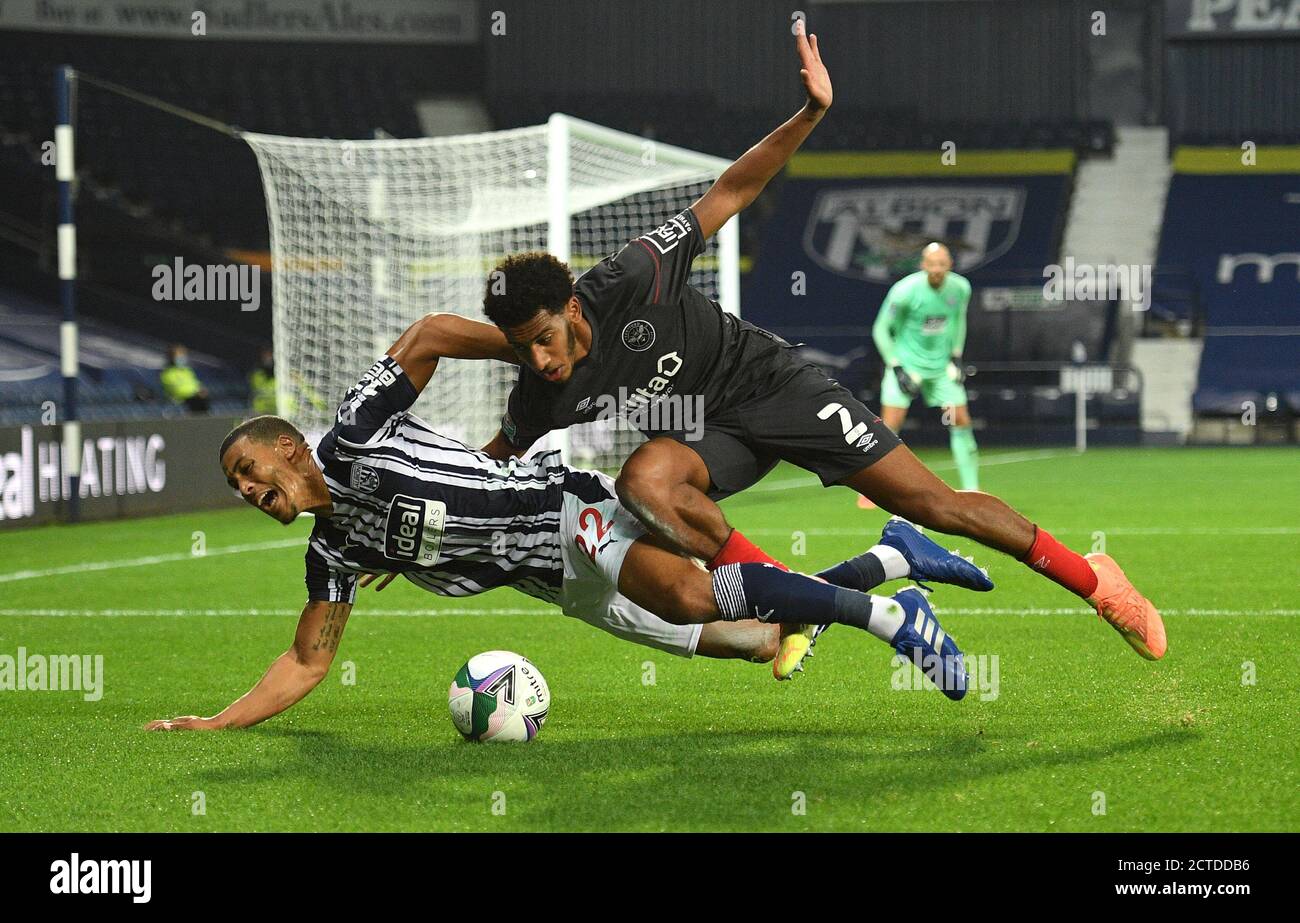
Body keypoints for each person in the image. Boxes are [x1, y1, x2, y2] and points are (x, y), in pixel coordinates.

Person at [463, 19, 1165, 675]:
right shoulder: (542, 390)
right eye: (523, 351)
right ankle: (797, 599)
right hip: (711, 438)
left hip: (772, 385)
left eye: (545, 340)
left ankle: (1095, 579)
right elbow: (487, 468)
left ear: (572, 308)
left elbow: (732, 190)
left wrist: (810, 114)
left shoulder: (633, 277)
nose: (542, 362)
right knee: (643, 483)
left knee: (940, 504)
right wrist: (403, 515)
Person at [145, 315, 993, 731]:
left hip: (563, 508)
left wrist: (529, 350)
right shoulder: (336, 547)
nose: (247, 492)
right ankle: (890, 556)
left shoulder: (355, 427)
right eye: (236, 488)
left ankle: (892, 616)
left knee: (698, 596)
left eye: (248, 473)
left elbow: (431, 335)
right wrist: (216, 721)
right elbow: (306, 658)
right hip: (558, 587)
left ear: (288, 448)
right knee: (758, 641)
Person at [872, 242, 979, 492]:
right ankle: (875, 489)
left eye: (942, 264)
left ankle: (972, 490)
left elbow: (958, 321)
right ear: (923, 265)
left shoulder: (960, 288)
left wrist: (956, 356)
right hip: (907, 366)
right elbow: (880, 330)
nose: (937, 270)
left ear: (950, 264)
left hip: (941, 370)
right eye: (932, 264)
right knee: (888, 430)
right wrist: (896, 367)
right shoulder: (905, 291)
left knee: (959, 420)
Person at [160, 344, 210, 414]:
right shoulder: (167, 373)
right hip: (181, 402)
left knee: (203, 400)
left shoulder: (187, 371)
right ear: (171, 357)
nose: (182, 357)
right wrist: (193, 394)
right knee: (197, 402)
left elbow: (197, 385)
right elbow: (176, 391)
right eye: (179, 354)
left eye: (183, 354)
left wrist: (201, 390)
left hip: (195, 399)